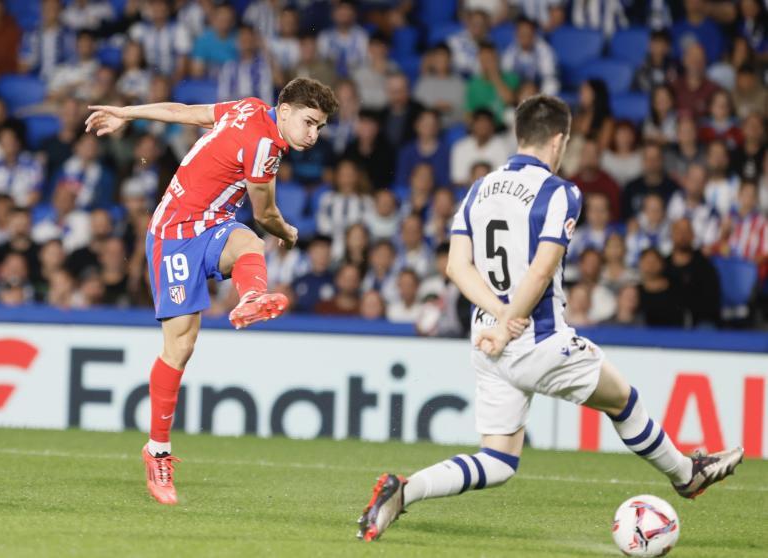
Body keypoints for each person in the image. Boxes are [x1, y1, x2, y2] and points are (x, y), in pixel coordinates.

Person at [356, 94, 744, 542]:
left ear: (519, 134)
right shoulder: (561, 192)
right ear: (559, 140)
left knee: (498, 460)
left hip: (487, 339)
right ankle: (686, 475)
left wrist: (499, 319)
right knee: (623, 401)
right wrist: (509, 324)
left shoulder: (479, 188)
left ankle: (404, 490)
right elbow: (540, 271)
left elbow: (456, 267)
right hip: (536, 339)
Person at [85, 78, 338, 506]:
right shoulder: (266, 146)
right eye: (309, 122)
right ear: (285, 111)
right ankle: (157, 452)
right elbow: (265, 213)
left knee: (248, 243)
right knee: (180, 348)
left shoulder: (248, 108)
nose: (313, 135)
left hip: (213, 225)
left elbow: (185, 112)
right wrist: (289, 232)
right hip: (174, 235)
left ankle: (252, 296)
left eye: (320, 127)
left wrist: (126, 112)